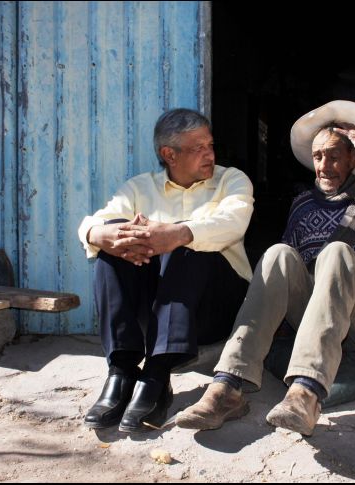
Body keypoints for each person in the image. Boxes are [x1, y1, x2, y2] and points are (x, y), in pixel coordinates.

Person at [175, 100, 355, 436]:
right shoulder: (303, 204)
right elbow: (288, 274)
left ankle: (306, 392)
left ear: (352, 159)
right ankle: (227, 386)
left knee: (336, 253)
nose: (325, 165)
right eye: (318, 156)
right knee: (278, 253)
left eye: (335, 155)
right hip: (322, 318)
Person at [77, 108, 253, 433]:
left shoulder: (231, 180)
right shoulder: (138, 188)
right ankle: (122, 370)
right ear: (168, 154)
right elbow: (96, 221)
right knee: (114, 237)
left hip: (215, 307)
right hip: (156, 312)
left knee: (188, 240)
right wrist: (100, 235)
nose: (209, 154)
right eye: (198, 148)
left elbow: (232, 223)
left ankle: (157, 375)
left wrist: (174, 234)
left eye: (211, 145)